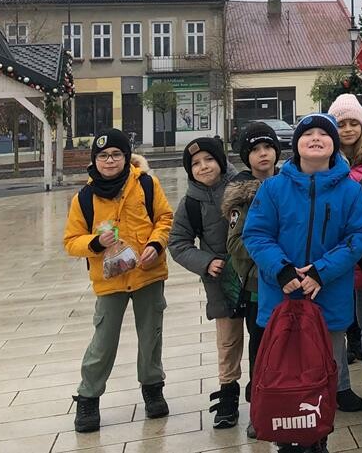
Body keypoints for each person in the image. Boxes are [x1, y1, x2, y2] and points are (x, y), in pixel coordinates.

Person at [242, 113, 362, 452]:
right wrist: (283, 271)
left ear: (334, 145)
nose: (316, 138)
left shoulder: (349, 189)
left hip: (327, 300)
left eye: (324, 133)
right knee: (283, 372)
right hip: (281, 301)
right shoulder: (274, 188)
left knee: (324, 372)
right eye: (308, 133)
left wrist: (321, 271)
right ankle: (285, 437)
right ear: (296, 144)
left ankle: (317, 436)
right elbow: (256, 234)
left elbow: (361, 234)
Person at [64, 130, 174, 434]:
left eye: (116, 154)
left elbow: (164, 219)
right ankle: (88, 397)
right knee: (103, 340)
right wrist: (95, 243)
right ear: (94, 160)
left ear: (126, 157)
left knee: (151, 335)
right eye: (103, 156)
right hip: (110, 279)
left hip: (148, 273)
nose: (109, 161)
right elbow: (71, 241)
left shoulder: (147, 184)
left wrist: (156, 244)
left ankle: (153, 389)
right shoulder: (84, 198)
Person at [168, 136, 243, 430]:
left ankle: (264, 391)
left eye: (209, 159)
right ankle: (228, 394)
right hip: (220, 281)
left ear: (221, 161)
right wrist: (205, 261)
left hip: (255, 275)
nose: (203, 167)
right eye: (196, 164)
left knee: (263, 336)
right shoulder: (190, 203)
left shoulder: (243, 188)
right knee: (228, 340)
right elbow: (178, 243)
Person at [223, 121, 282, 440]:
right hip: (258, 286)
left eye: (268, 147)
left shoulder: (290, 184)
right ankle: (259, 409)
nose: (263, 154)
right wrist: (273, 254)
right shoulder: (240, 196)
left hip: (290, 284)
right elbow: (235, 243)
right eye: (256, 149)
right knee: (260, 347)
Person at [329, 92, 362, 410]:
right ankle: (340, 386)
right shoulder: (324, 160)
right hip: (333, 255)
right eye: (341, 124)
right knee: (336, 325)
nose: (347, 129)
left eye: (353, 123)